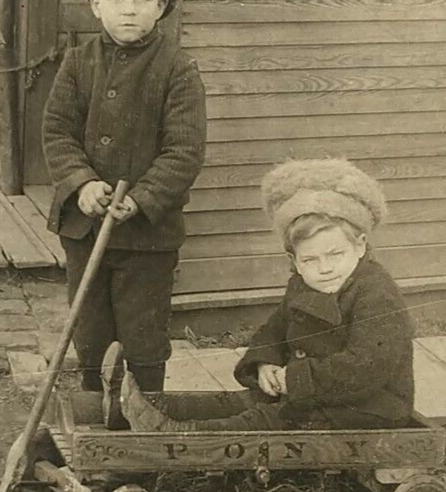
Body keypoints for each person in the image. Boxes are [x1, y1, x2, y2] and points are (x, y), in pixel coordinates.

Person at [119, 158, 415, 431]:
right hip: (317, 393)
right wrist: (265, 363)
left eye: (335, 254)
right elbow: (274, 330)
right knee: (238, 401)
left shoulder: (376, 294)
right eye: (310, 260)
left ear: (360, 245)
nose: (325, 268)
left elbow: (366, 367)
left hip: (369, 406)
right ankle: (151, 406)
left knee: (266, 418)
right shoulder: (303, 284)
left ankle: (177, 435)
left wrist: (296, 378)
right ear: (294, 260)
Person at [42, 0, 207, 396]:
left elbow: (185, 150)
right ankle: (95, 413)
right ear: (95, 5)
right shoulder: (77, 63)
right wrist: (82, 183)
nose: (128, 10)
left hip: (147, 238)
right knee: (89, 328)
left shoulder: (178, 69)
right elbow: (56, 132)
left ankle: (144, 420)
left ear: (162, 5)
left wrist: (141, 198)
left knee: (143, 335)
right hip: (85, 227)